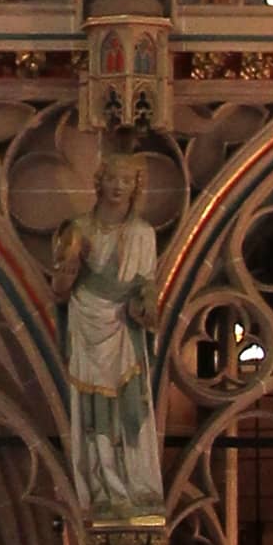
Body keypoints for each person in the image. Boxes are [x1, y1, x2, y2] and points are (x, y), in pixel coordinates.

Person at [57, 154, 162, 513]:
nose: (118, 186)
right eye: (113, 179)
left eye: (127, 181)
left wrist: (146, 303)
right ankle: (103, 483)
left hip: (123, 323)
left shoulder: (142, 234)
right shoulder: (78, 229)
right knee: (94, 406)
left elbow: (147, 283)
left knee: (127, 401)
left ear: (135, 188)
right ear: (99, 182)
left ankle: (133, 483)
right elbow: (59, 290)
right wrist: (69, 267)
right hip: (87, 320)